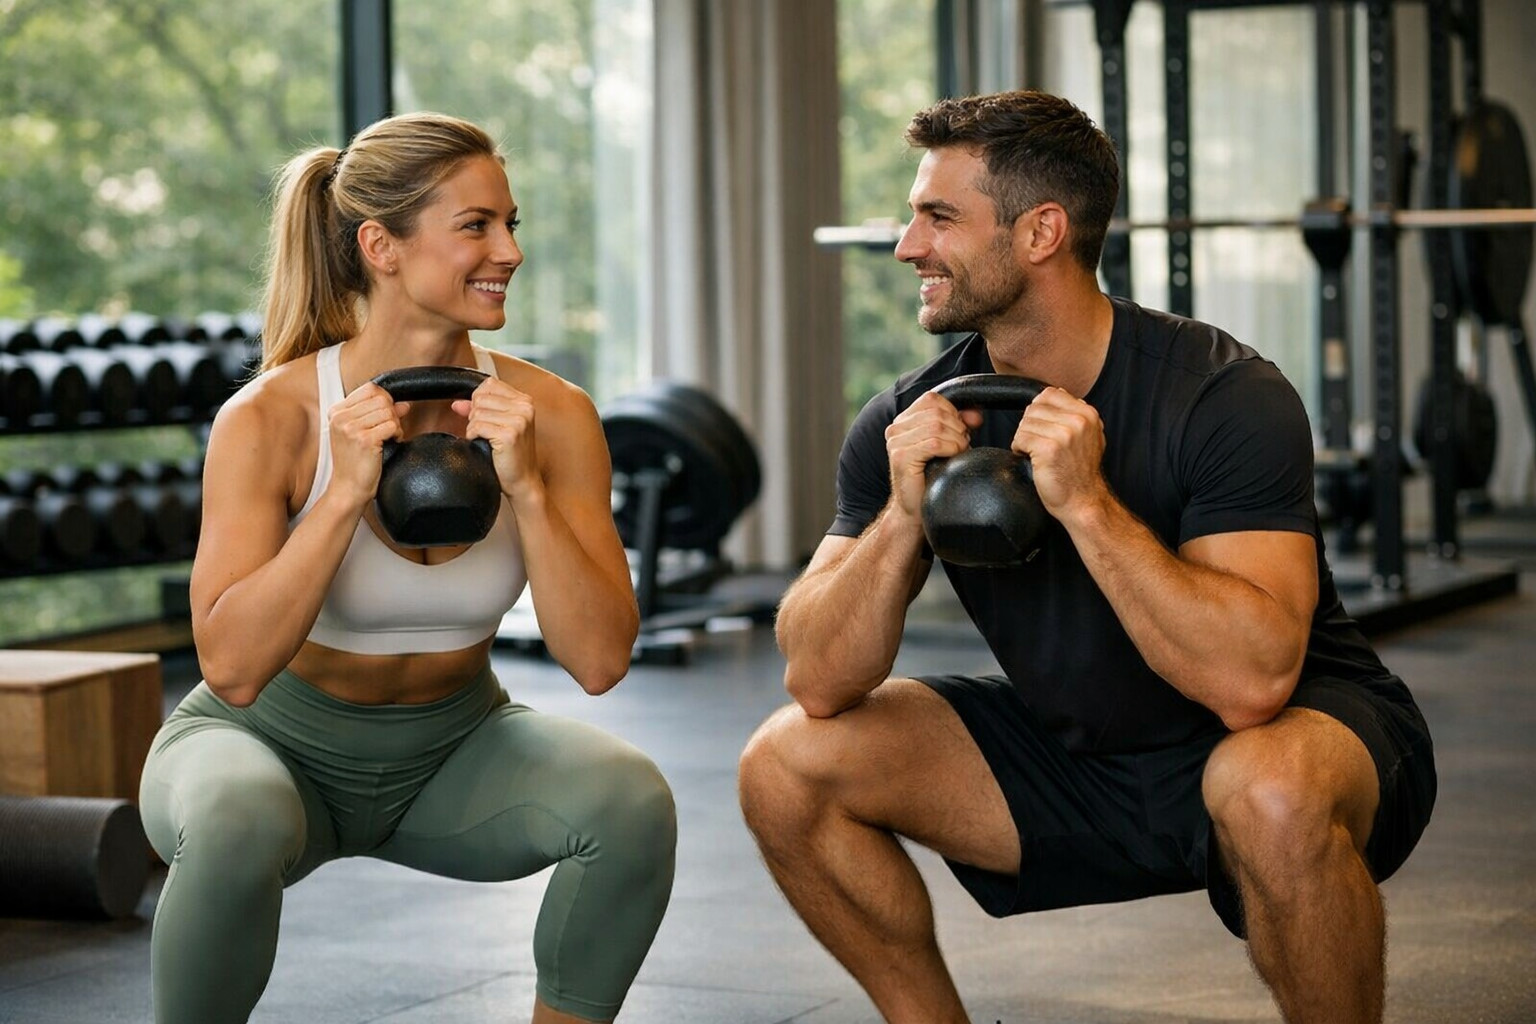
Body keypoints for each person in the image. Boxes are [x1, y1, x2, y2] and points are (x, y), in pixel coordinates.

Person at [737, 90, 1436, 1024]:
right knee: (785, 766)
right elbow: (817, 677)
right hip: (1080, 757)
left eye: (938, 217)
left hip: (1289, 737)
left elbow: (1252, 683)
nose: (908, 246)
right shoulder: (912, 418)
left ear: (1042, 232)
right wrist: (905, 514)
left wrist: (1088, 505)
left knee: (1263, 788)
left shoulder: (1224, 395)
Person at [138, 112, 676, 1024]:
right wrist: (341, 496)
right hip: (263, 748)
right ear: (380, 247)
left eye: (512, 223)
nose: (508, 250)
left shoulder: (553, 412)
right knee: (237, 818)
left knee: (629, 802)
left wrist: (532, 493)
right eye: (476, 226)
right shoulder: (271, 418)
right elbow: (228, 669)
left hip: (455, 749)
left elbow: (597, 662)